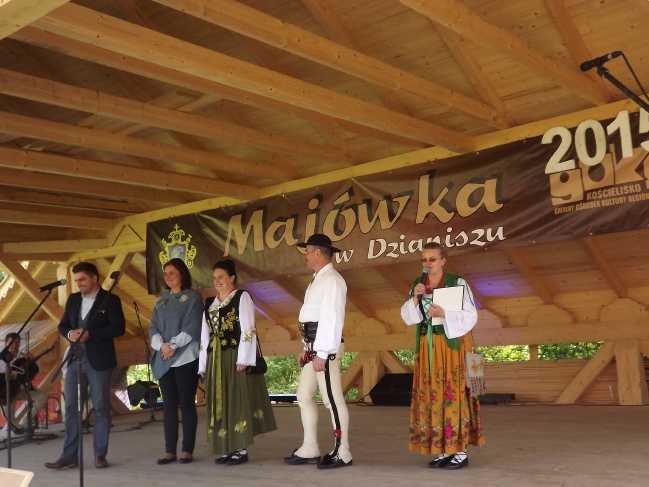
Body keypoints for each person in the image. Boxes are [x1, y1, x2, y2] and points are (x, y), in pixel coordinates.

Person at [400, 242, 486, 470]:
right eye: (424, 259)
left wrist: (444, 313)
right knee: (432, 395)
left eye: (432, 259)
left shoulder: (457, 282)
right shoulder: (418, 284)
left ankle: (460, 451)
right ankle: (442, 448)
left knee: (452, 394)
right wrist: (415, 299)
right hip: (427, 347)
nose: (427, 263)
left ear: (443, 260)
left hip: (451, 347)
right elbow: (408, 317)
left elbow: (471, 315)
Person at [45, 262, 126, 470]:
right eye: (76, 280)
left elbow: (119, 328)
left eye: (82, 279)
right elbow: (63, 325)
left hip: (99, 360)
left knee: (101, 408)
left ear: (94, 278)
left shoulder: (110, 299)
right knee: (71, 407)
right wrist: (69, 333)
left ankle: (100, 455)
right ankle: (69, 456)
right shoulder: (73, 300)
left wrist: (92, 334)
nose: (78, 283)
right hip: (75, 359)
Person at [284, 233, 352, 469]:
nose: (305, 256)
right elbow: (313, 317)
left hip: (325, 349)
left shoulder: (332, 280)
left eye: (307, 251)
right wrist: (306, 348)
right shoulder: (318, 279)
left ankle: (343, 451)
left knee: (332, 400)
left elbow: (331, 319)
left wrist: (322, 353)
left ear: (318, 253)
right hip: (314, 348)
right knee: (304, 395)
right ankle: (310, 447)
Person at [198, 259, 277, 466]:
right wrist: (203, 365)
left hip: (234, 355)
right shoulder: (210, 303)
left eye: (221, 277)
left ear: (232, 277)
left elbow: (248, 329)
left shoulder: (242, 297)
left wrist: (244, 359)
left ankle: (241, 448)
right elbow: (205, 337)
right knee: (220, 401)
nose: (217, 281)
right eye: (215, 278)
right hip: (215, 358)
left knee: (236, 399)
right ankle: (227, 446)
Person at [149, 258, 203, 465]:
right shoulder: (160, 301)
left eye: (172, 272)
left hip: (186, 358)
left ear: (182, 274)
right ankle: (169, 451)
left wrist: (172, 345)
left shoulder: (193, 297)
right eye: (166, 273)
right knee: (169, 406)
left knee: (186, 404)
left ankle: (187, 450)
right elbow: (153, 327)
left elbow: (193, 325)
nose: (168, 276)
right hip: (165, 358)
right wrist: (161, 346)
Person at [0, 333, 49, 434]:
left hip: (23, 388)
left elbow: (39, 370)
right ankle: (15, 425)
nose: (15, 345)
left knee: (43, 397)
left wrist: (33, 360)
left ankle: (26, 422)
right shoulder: (1, 358)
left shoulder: (24, 355)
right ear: (6, 344)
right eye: (12, 343)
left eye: (17, 342)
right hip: (8, 391)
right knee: (7, 410)